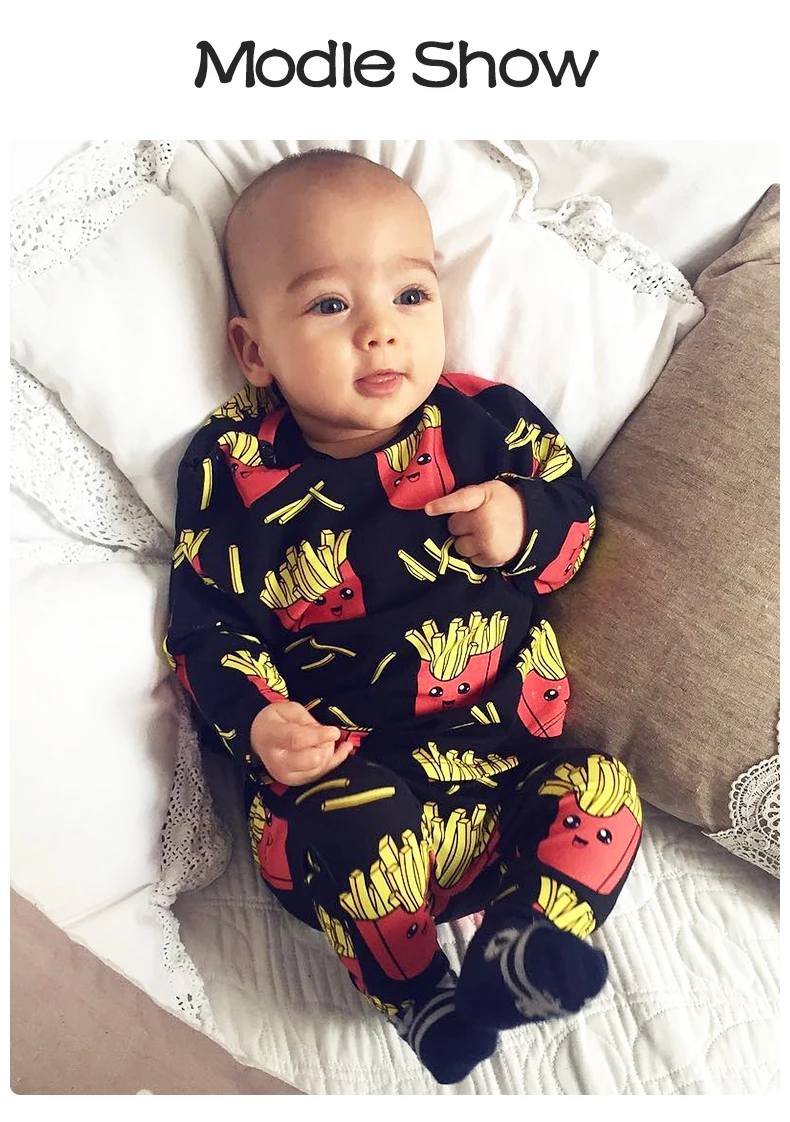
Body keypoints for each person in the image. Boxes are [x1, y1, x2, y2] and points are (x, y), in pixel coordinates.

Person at [164, 149, 642, 1085]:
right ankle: (421, 997)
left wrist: (523, 523)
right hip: (348, 789)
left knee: (602, 791)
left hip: (507, 773)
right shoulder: (233, 465)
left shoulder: (487, 424)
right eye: (329, 305)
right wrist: (260, 723)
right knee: (352, 819)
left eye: (411, 295)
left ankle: (519, 944)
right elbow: (206, 623)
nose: (381, 331)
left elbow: (577, 524)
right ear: (254, 350)